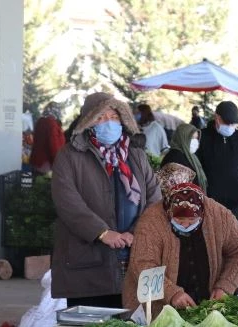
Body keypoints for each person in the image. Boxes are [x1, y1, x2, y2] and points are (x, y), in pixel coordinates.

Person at [51, 92, 161, 308]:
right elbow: (67, 202)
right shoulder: (70, 155)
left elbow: (154, 198)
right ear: (88, 123)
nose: (108, 123)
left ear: (123, 120)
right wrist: (102, 232)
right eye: (101, 118)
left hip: (132, 259)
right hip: (87, 264)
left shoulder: (136, 155)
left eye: (114, 117)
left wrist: (137, 232)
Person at [123, 163, 238, 318]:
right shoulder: (151, 220)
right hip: (156, 310)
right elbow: (143, 264)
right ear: (169, 211)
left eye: (191, 221)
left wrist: (224, 286)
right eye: (179, 220)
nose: (185, 225)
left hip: (206, 307)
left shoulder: (217, 213)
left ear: (202, 213)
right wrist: (172, 293)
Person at [197, 101, 238, 224]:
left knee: (235, 239)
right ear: (217, 118)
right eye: (227, 122)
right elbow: (195, 166)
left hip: (236, 202)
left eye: (233, 123)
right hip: (209, 201)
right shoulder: (202, 137)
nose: (230, 126)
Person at [161, 123, 208, 190]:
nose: (195, 141)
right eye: (192, 138)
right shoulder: (174, 157)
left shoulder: (191, 156)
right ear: (183, 138)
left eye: (197, 138)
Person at [29, 102, 66, 174]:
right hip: (46, 164)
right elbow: (54, 146)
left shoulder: (41, 121)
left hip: (37, 162)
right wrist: (59, 165)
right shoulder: (51, 124)